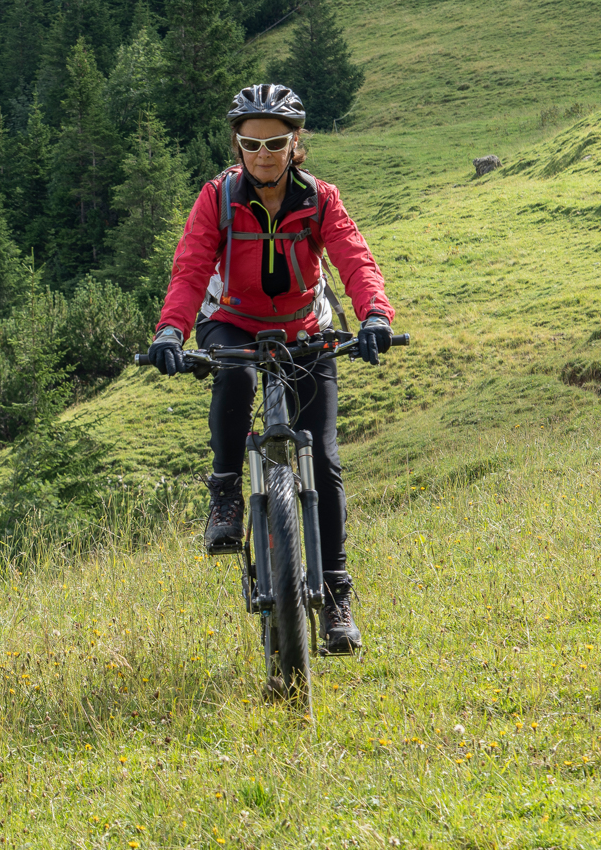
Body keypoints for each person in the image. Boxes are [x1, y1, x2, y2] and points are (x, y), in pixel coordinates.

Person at [145, 84, 395, 654]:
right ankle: (226, 492)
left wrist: (375, 315)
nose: (262, 153)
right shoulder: (217, 198)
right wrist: (170, 331)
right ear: (237, 144)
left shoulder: (321, 199)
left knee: (325, 460)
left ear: (295, 144)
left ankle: (336, 596)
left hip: (305, 327)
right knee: (234, 375)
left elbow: (354, 259)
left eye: (275, 142)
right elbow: (189, 269)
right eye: (251, 142)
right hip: (229, 320)